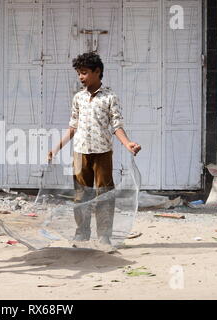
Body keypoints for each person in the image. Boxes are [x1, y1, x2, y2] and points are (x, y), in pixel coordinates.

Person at [48, 52, 141, 249]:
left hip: (102, 153)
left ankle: (104, 236)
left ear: (97, 72)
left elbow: (116, 125)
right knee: (81, 195)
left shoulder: (109, 97)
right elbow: (73, 126)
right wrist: (56, 148)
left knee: (104, 194)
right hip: (80, 153)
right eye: (79, 74)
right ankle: (82, 233)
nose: (81, 77)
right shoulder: (78, 98)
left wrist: (128, 144)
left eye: (84, 73)